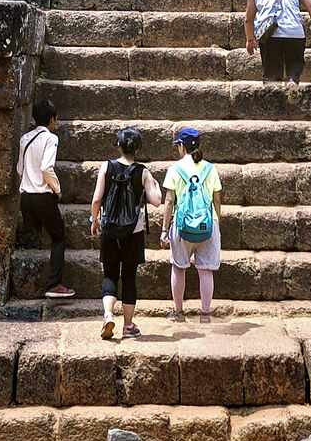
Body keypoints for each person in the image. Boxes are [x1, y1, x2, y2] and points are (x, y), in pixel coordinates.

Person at [90, 124, 162, 341]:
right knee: (129, 276)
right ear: (137, 149)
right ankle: (128, 325)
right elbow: (157, 201)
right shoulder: (143, 172)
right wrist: (154, 182)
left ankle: (108, 314)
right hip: (134, 231)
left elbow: (96, 199)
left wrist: (95, 220)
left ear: (119, 146)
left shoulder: (107, 167)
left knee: (110, 273)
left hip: (110, 228)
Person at [161, 124, 222, 324]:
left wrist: (164, 230)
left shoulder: (175, 169)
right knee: (205, 270)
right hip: (208, 223)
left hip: (182, 224)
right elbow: (217, 199)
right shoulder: (210, 168)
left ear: (181, 146)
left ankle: (179, 312)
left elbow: (169, 201)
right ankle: (205, 314)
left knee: (179, 267)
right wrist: (216, 222)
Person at [17, 101, 74, 299]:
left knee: (31, 236)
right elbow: (46, 168)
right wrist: (57, 190)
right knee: (59, 237)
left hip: (25, 197)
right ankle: (53, 284)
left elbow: (19, 168)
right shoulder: (51, 138)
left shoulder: (25, 138)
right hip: (42, 196)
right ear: (52, 119)